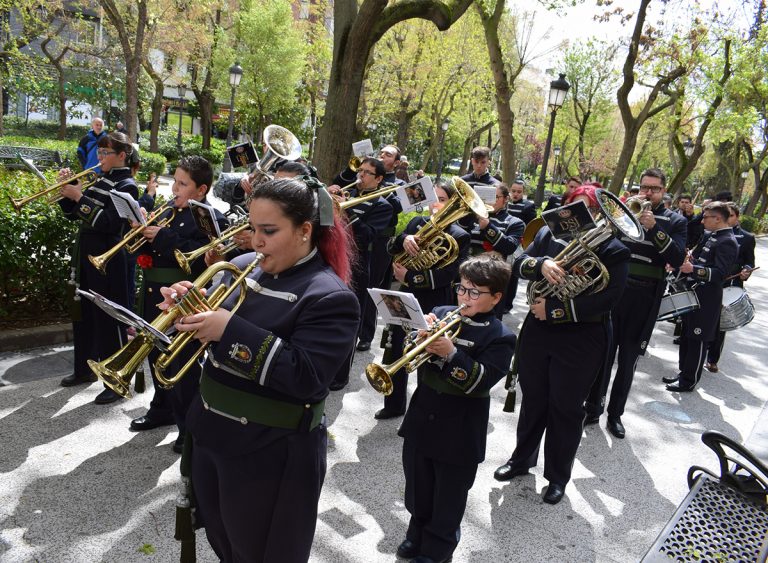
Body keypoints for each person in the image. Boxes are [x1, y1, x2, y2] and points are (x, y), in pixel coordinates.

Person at [162, 177, 360, 562]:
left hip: (269, 450)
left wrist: (227, 329)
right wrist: (187, 308)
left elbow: (307, 377)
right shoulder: (240, 267)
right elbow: (211, 342)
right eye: (252, 229)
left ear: (305, 231)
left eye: (269, 231)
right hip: (210, 434)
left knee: (261, 552)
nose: (256, 241)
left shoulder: (330, 295)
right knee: (224, 543)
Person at [494, 185, 630, 504]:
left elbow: (610, 299)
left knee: (566, 409)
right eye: (573, 206)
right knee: (534, 401)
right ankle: (521, 459)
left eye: (587, 208)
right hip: (539, 331)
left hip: (581, 338)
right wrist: (540, 264)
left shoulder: (614, 248)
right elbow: (518, 263)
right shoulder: (547, 236)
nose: (577, 214)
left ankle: (557, 477)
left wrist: (555, 311)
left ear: (599, 213)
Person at [396, 255, 516, 563]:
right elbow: (410, 353)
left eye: (475, 292)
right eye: (462, 289)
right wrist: (418, 336)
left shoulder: (500, 337)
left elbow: (480, 381)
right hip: (422, 418)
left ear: (496, 297)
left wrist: (451, 354)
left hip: (460, 431)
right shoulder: (441, 313)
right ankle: (415, 534)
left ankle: (437, 550)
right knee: (417, 487)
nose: (464, 297)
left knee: (447, 499)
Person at [129, 156, 229, 454]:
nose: (174, 187)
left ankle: (188, 425)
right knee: (153, 352)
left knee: (180, 365)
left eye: (182, 183)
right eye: (174, 180)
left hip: (183, 298)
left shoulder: (210, 218)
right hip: (152, 293)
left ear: (201, 189)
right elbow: (152, 250)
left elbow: (201, 259)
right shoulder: (168, 211)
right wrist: (142, 231)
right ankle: (161, 407)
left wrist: (163, 236)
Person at [584, 168, 687, 439]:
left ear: (664, 191)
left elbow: (677, 258)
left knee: (628, 359)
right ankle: (593, 408)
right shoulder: (624, 211)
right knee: (602, 353)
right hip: (616, 291)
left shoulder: (675, 220)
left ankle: (615, 414)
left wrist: (653, 228)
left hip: (645, 297)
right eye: (644, 187)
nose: (647, 192)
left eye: (654, 188)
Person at [375, 181, 471, 420]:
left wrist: (411, 276)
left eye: (442, 199)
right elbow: (390, 247)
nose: (435, 204)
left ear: (453, 204)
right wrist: (404, 238)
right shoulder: (418, 223)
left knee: (424, 352)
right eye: (433, 198)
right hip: (405, 295)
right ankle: (393, 404)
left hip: (434, 300)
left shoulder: (460, 235)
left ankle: (422, 410)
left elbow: (451, 274)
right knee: (396, 346)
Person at [58, 132, 139, 404]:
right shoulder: (99, 178)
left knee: (107, 319)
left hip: (106, 259)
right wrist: (67, 193)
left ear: (121, 156)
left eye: (106, 153)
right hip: (86, 254)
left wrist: (79, 196)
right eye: (100, 152)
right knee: (83, 314)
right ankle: (83, 369)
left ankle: (114, 381)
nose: (100, 158)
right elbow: (73, 215)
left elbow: (108, 223)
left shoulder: (127, 185)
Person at [663, 201, 738, 392]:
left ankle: (689, 381)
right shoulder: (711, 236)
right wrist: (680, 263)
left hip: (707, 297)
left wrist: (693, 269)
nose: (702, 220)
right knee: (687, 335)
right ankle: (683, 373)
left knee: (698, 339)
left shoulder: (727, 241)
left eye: (705, 217)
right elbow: (694, 257)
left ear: (718, 218)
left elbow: (720, 273)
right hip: (693, 292)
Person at [459, 183, 524, 317]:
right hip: (466, 278)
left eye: (495, 197)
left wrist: (488, 227)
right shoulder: (471, 218)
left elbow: (509, 247)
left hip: (491, 282)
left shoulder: (515, 222)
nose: (490, 201)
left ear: (505, 199)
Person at [704, 202, 755, 372]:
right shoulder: (713, 234)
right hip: (712, 281)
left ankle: (712, 358)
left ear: (736, 217)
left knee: (720, 323)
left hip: (731, 282)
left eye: (732, 215)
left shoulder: (747, 238)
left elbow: (749, 262)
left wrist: (747, 271)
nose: (729, 218)